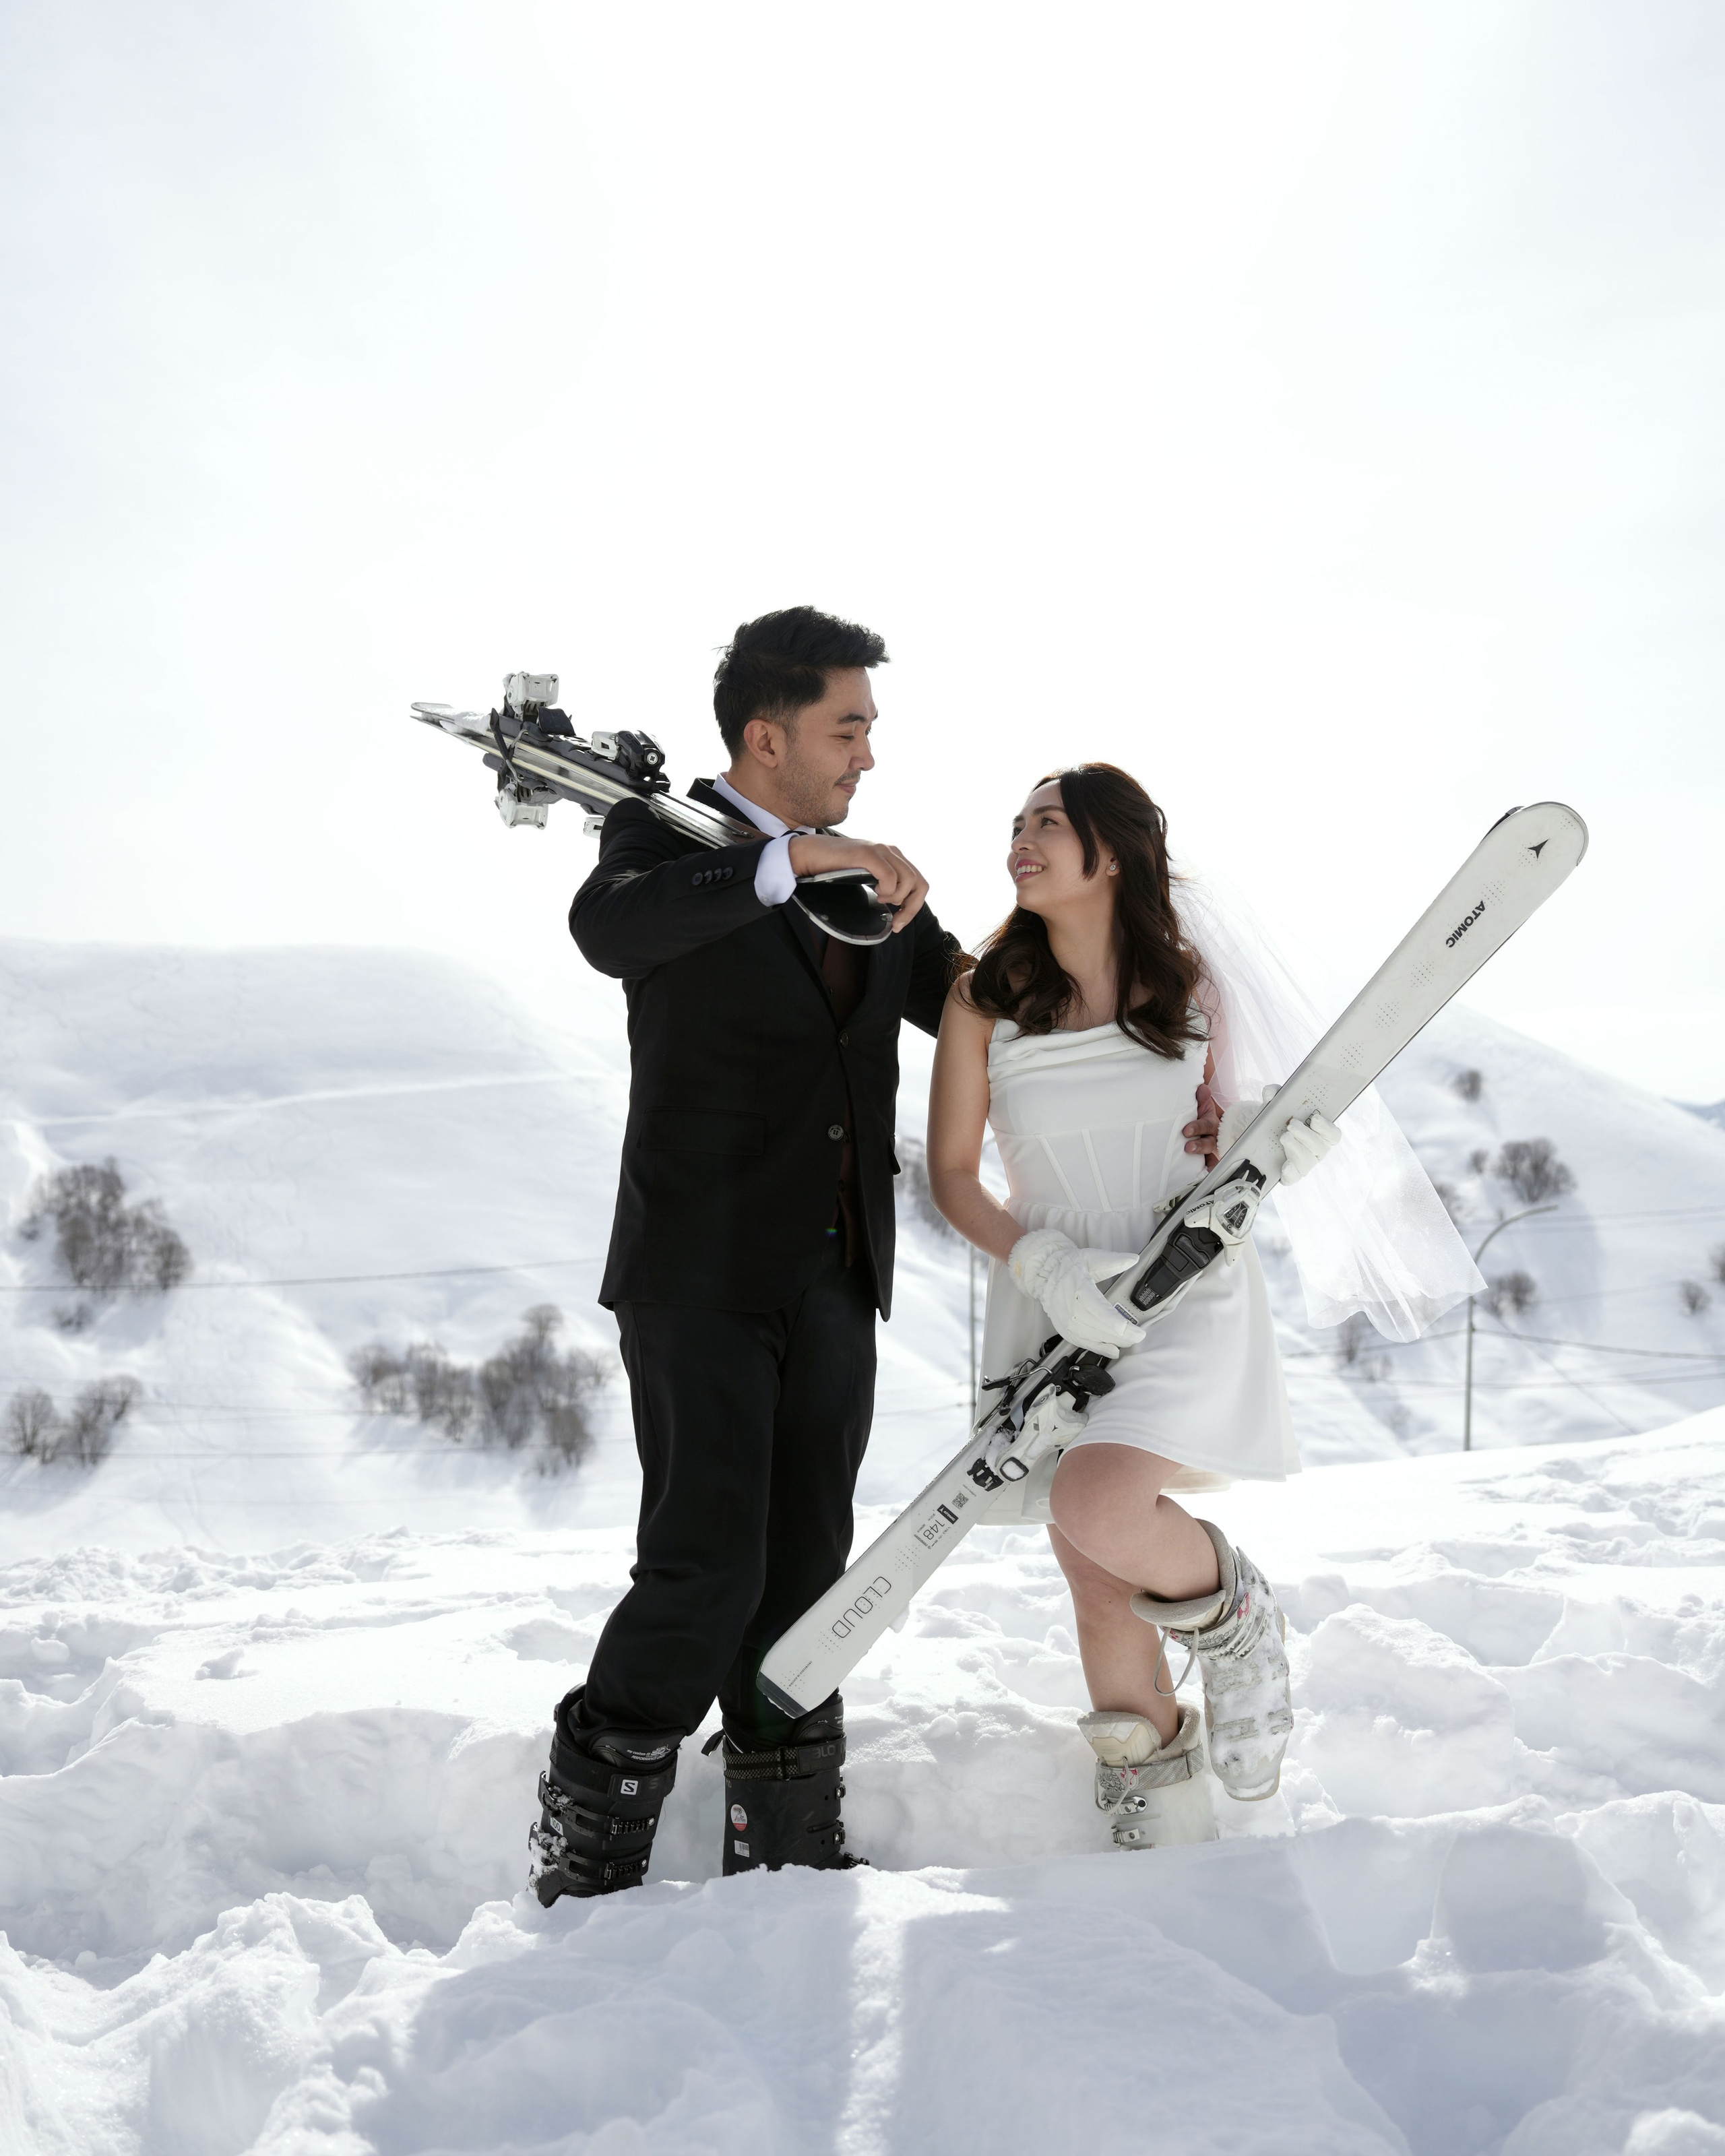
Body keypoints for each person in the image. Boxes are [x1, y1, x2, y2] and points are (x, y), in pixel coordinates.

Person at [529, 605, 962, 1901]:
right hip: (699, 1273)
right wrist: (788, 862)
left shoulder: (872, 881)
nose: (869, 754)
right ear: (766, 736)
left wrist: (1119, 974)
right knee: (706, 1561)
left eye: (872, 729)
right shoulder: (667, 837)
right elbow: (609, 930)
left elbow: (976, 1011)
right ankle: (592, 1826)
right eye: (849, 727)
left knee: (806, 1565)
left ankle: (782, 1836)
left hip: (838, 1274)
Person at [925, 763, 1345, 1849]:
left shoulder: (1189, 985)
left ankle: (1233, 1616)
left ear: (1111, 853)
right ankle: (1159, 1814)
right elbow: (955, 1180)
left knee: (1100, 1508)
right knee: (1094, 1569)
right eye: (1015, 825)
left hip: (1181, 1281)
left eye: (1048, 825)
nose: (1021, 841)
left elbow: (1225, 1136)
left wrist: (1262, 1138)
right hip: (1057, 1289)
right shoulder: (981, 996)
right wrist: (1046, 1268)